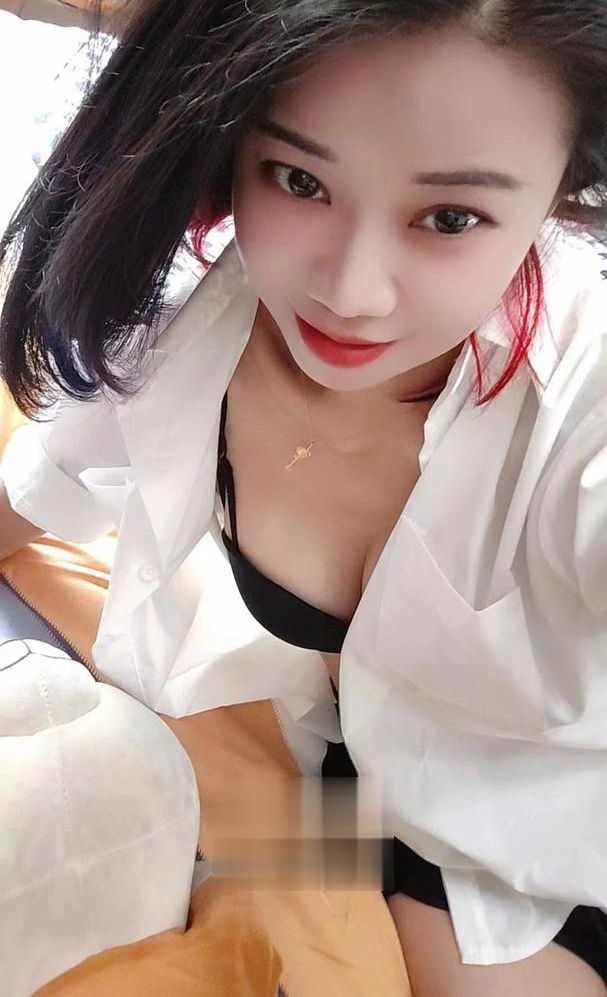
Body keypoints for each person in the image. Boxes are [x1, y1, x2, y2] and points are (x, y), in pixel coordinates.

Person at [0, 0, 606, 992]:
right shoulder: (189, 329)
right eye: (298, 179)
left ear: (563, 188)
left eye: (450, 217)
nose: (351, 292)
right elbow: (38, 487)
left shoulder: (582, 407)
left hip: (530, 836)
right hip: (318, 795)